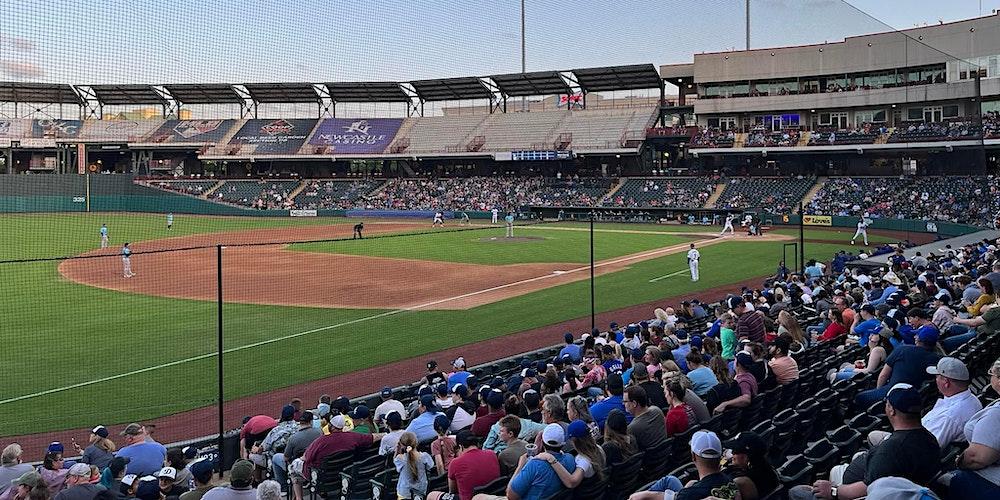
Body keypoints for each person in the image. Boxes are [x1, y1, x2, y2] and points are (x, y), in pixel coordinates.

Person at [789, 384, 939, 500]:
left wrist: (833, 491)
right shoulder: (929, 438)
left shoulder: (891, 450)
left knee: (797, 492)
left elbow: (869, 488)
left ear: (891, 410)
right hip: (890, 478)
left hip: (850, 491)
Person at [869, 357, 982, 449]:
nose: (935, 379)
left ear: (946, 382)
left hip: (908, 446)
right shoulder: (972, 399)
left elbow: (925, 447)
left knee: (872, 437)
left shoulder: (949, 416)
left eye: (937, 376)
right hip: (914, 436)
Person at [948, 356, 1000, 497]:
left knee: (940, 481)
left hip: (991, 482)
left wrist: (958, 461)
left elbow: (976, 458)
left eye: (992, 373)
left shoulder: (996, 415)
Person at [629, 430, 732, 500]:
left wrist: (644, 495)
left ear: (693, 457)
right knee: (670, 480)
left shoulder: (691, 494)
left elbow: (675, 497)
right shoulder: (730, 481)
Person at [854, 328, 940, 409]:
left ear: (918, 339)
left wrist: (878, 391)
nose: (914, 337)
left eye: (916, 335)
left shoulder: (902, 349)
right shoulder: (938, 359)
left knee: (859, 397)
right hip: (917, 399)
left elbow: (883, 375)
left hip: (893, 394)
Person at [502, 424, 577, 500]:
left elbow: (510, 496)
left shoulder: (534, 465)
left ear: (542, 442)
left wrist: (520, 466)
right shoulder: (570, 458)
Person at [300, 415, 385, 479]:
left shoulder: (321, 440)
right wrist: (386, 434)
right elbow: (373, 437)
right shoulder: (352, 436)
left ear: (332, 427)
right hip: (343, 472)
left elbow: (306, 458)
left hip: (321, 477)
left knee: (293, 471)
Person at [427, 430, 499, 500]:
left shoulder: (455, 463)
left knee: (431, 495)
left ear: (460, 447)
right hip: (493, 494)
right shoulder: (492, 454)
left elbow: (452, 491)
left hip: (467, 498)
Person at [537, 420, 605, 489]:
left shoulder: (583, 460)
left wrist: (551, 459)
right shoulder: (598, 448)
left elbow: (571, 483)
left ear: (573, 441)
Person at [723, 432, 779, 500]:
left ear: (746, 457)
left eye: (735, 451)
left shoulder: (740, 481)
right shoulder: (766, 468)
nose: (732, 454)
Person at [393, 432, 435, 500]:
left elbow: (395, 461)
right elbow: (430, 466)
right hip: (421, 491)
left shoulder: (400, 459)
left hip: (404, 493)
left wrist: (397, 450)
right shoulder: (425, 456)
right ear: (416, 443)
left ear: (402, 445)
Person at [625, 386, 667, 450]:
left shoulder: (632, 428)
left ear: (634, 403)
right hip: (666, 455)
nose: (623, 404)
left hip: (650, 459)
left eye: (625, 401)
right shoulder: (657, 410)